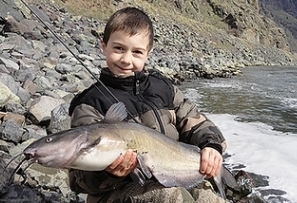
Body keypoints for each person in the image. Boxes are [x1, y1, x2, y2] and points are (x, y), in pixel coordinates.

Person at [68, 6, 227, 203]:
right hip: (115, 193)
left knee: (209, 199)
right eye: (118, 48)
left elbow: (198, 122)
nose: (126, 59)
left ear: (148, 53)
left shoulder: (164, 88)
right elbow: (79, 180)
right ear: (104, 45)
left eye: (137, 52)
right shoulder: (89, 104)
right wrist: (111, 173)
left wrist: (211, 146)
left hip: (174, 176)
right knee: (172, 197)